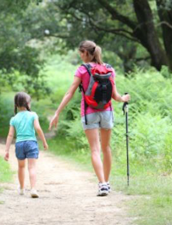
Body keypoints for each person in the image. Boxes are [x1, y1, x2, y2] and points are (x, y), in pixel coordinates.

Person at [49, 40, 130, 196]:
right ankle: (106, 183)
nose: (80, 56)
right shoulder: (109, 69)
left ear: (86, 53)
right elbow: (115, 96)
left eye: (81, 53)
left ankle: (102, 184)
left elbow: (70, 92)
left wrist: (57, 112)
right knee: (106, 148)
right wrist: (124, 99)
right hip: (107, 112)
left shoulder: (82, 70)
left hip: (89, 112)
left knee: (95, 149)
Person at [4, 92, 48, 198]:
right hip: (31, 143)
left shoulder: (14, 119)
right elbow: (38, 128)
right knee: (31, 167)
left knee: (21, 167)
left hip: (19, 144)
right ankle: (33, 188)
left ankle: (22, 188)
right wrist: (44, 141)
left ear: (16, 105)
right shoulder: (33, 115)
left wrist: (6, 150)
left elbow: (10, 135)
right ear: (28, 103)